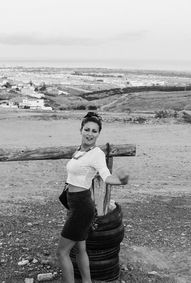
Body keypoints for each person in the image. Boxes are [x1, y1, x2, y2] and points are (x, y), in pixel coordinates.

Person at [56, 112, 129, 283]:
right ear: (81, 130)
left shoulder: (97, 154)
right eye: (87, 129)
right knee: (81, 249)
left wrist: (120, 180)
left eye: (94, 131)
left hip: (82, 206)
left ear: (98, 134)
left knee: (62, 252)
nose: (90, 133)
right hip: (75, 203)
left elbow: (106, 176)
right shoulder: (80, 150)